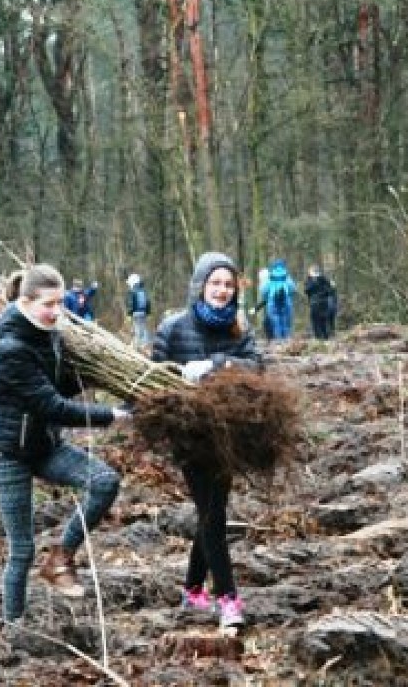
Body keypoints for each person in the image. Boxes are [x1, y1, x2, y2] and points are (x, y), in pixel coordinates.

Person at [0, 264, 131, 622]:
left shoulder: (48, 333)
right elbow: (51, 405)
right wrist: (111, 414)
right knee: (22, 550)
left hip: (45, 444)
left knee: (105, 482)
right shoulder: (10, 348)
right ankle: (13, 629)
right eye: (48, 304)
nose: (56, 312)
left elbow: (56, 388)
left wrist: (106, 378)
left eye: (60, 303)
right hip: (10, 452)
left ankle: (62, 557)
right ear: (25, 302)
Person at [151, 251, 261, 632]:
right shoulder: (173, 328)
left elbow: (258, 367)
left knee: (211, 510)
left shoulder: (238, 329)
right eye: (216, 283)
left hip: (227, 435)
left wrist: (218, 366)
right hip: (189, 435)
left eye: (229, 285)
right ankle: (228, 598)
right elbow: (154, 377)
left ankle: (193, 589)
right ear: (200, 285)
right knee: (214, 515)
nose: (222, 291)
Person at [254, 259, 297, 340]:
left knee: (275, 322)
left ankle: (279, 341)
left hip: (272, 303)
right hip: (286, 302)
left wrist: (268, 297)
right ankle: (287, 340)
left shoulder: (270, 277)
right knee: (286, 322)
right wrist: (288, 295)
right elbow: (293, 289)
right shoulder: (287, 276)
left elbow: (263, 291)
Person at [304, 265, 333, 339]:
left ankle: (324, 336)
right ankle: (320, 337)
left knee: (320, 320)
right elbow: (306, 291)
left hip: (320, 303)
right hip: (317, 303)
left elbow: (329, 291)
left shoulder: (323, 280)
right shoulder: (310, 280)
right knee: (318, 320)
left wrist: (321, 294)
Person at [126, 273, 152, 349]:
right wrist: (148, 313)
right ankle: (145, 344)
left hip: (136, 313)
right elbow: (148, 302)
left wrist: (129, 315)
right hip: (143, 313)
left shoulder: (133, 291)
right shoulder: (143, 291)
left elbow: (131, 304)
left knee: (137, 329)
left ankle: (136, 346)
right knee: (143, 328)